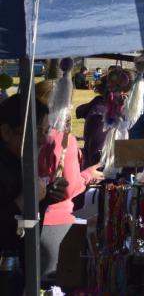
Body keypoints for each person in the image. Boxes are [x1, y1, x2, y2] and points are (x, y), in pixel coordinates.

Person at [0, 95, 66, 294]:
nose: (44, 139)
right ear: (6, 132)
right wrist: (23, 201)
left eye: (46, 131)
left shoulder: (20, 163)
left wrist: (45, 199)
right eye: (37, 131)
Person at [38, 97, 105, 281]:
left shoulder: (27, 136)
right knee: (53, 283)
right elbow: (68, 188)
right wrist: (88, 175)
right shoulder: (63, 139)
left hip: (30, 218)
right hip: (56, 222)